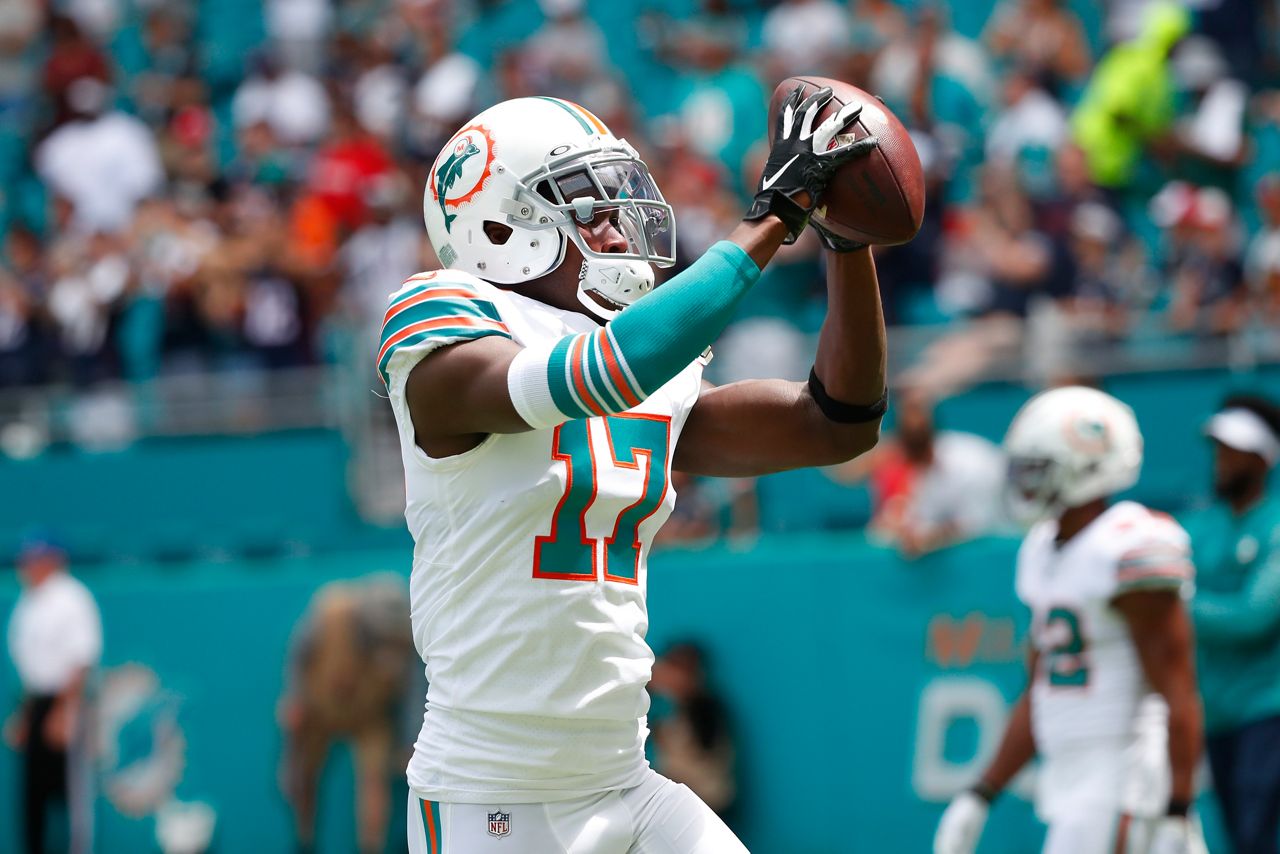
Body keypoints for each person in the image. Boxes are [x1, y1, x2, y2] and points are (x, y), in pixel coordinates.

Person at [381, 90, 887, 853]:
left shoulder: (637, 357)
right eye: (586, 206)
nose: (617, 225)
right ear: (498, 226)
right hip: (493, 797)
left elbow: (836, 422)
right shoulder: (442, 319)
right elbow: (590, 378)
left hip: (626, 777)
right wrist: (775, 216)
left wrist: (847, 241)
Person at [933, 386, 1206, 854]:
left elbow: (1178, 693)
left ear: (1088, 465)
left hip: (1127, 776)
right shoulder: (1041, 549)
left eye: (1039, 469)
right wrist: (982, 792)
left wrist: (1178, 808)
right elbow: (1041, 691)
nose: (1025, 483)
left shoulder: (1126, 544)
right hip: (1074, 780)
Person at [1187, 395, 1280, 854]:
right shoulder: (1204, 527)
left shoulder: (1277, 524)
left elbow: (1253, 617)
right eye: (1219, 451)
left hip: (1269, 712)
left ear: (1263, 459)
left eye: (1234, 452)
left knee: (1256, 840)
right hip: (1217, 714)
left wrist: (1176, 601)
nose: (1222, 462)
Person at [5, 537, 102, 854]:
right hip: (36, 702)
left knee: (71, 793)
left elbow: (81, 659)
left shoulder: (71, 597)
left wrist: (64, 711)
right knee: (33, 795)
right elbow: (32, 670)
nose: (27, 566)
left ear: (53, 559)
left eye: (35, 558)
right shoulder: (28, 602)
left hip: (66, 701)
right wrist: (24, 715)